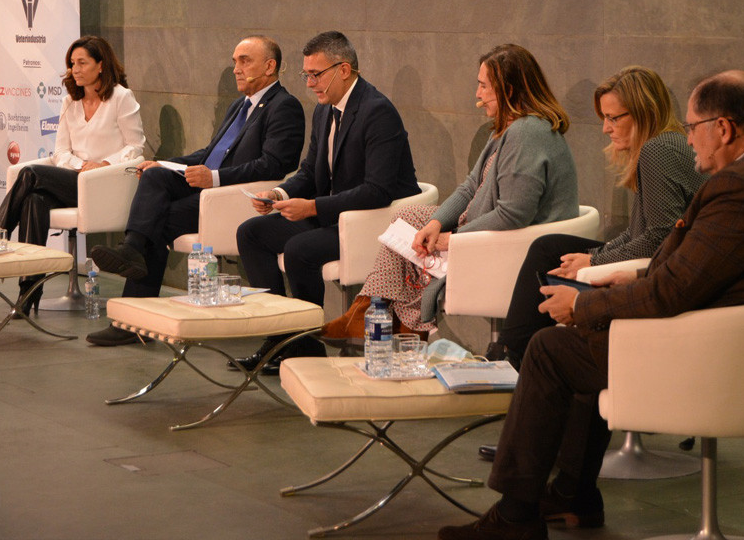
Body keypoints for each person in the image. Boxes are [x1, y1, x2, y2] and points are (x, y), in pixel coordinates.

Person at [437, 70, 744, 540]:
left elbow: (670, 290)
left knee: (551, 350)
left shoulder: (738, 188)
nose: (688, 138)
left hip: (715, 354)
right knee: (576, 344)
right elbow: (700, 265)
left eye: (693, 127)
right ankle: (574, 494)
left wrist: (585, 304)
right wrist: (625, 273)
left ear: (725, 127)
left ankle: (515, 516)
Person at [321, 43, 580, 341]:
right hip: (491, 234)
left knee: (415, 236)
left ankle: (388, 320)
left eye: (483, 86)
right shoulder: (510, 128)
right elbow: (471, 186)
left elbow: (512, 214)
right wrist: (435, 225)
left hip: (511, 248)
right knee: (408, 218)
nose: (478, 95)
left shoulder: (527, 133)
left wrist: (449, 240)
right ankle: (374, 311)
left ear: (507, 91)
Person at [86, 35, 305, 346]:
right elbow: (209, 153)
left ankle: (131, 319)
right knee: (154, 177)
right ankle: (132, 249)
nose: (236, 69)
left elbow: (273, 164)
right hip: (207, 190)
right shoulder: (238, 106)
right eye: (234, 62)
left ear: (269, 67)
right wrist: (164, 163)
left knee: (158, 220)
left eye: (245, 61)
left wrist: (215, 178)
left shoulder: (285, 106)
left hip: (233, 197)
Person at [487, 66, 707, 370]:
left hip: (660, 273)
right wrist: (592, 255)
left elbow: (659, 238)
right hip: (654, 261)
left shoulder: (658, 151)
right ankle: (516, 357)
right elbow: (636, 232)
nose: (606, 128)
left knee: (547, 250)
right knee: (551, 248)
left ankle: (509, 359)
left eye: (614, 118)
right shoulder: (663, 145)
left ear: (644, 112)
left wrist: (593, 262)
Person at [232, 30, 420, 372]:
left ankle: (305, 347)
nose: (309, 83)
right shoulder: (325, 110)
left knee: (301, 249)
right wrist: (280, 194)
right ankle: (279, 338)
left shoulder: (377, 111)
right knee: (252, 233)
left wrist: (313, 207)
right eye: (306, 75)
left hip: (373, 221)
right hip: (335, 215)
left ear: (343, 70)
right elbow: (309, 171)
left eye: (315, 75)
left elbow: (377, 189)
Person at [0, 35, 145, 312]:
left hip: (102, 184)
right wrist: (79, 165)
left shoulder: (121, 97)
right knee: (32, 202)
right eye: (72, 63)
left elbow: (136, 147)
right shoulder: (69, 101)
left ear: (101, 65)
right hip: (74, 177)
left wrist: (105, 165)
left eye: (82, 62)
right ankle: (28, 293)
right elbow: (60, 151)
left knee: (29, 175)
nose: (75, 69)